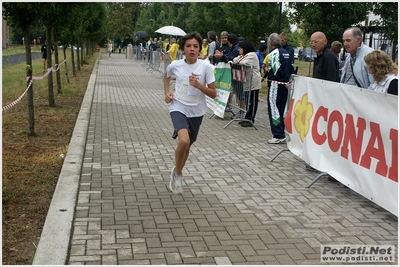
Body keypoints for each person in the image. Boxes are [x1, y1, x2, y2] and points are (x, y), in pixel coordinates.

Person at [163, 32, 216, 194]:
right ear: (182, 49)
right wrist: (167, 92)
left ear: (200, 49)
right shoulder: (176, 65)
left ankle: (177, 170)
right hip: (178, 106)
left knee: (188, 146)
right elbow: (166, 76)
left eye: (195, 46)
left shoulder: (206, 67)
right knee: (184, 141)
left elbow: (213, 93)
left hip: (197, 111)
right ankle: (177, 174)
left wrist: (199, 85)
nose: (192, 49)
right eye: (188, 46)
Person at [266, 33, 294, 144]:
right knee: (282, 108)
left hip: (276, 85)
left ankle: (278, 134)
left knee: (274, 109)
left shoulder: (274, 54)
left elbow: (277, 70)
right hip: (285, 85)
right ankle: (281, 132)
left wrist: (281, 80)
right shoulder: (286, 53)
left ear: (271, 43)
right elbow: (290, 68)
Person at [232, 41, 262, 127]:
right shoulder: (245, 56)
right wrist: (239, 59)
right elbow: (234, 60)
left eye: (240, 48)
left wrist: (239, 59)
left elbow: (241, 62)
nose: (239, 50)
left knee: (252, 101)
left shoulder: (252, 55)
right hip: (248, 82)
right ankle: (247, 117)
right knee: (248, 101)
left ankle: (250, 119)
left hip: (254, 82)